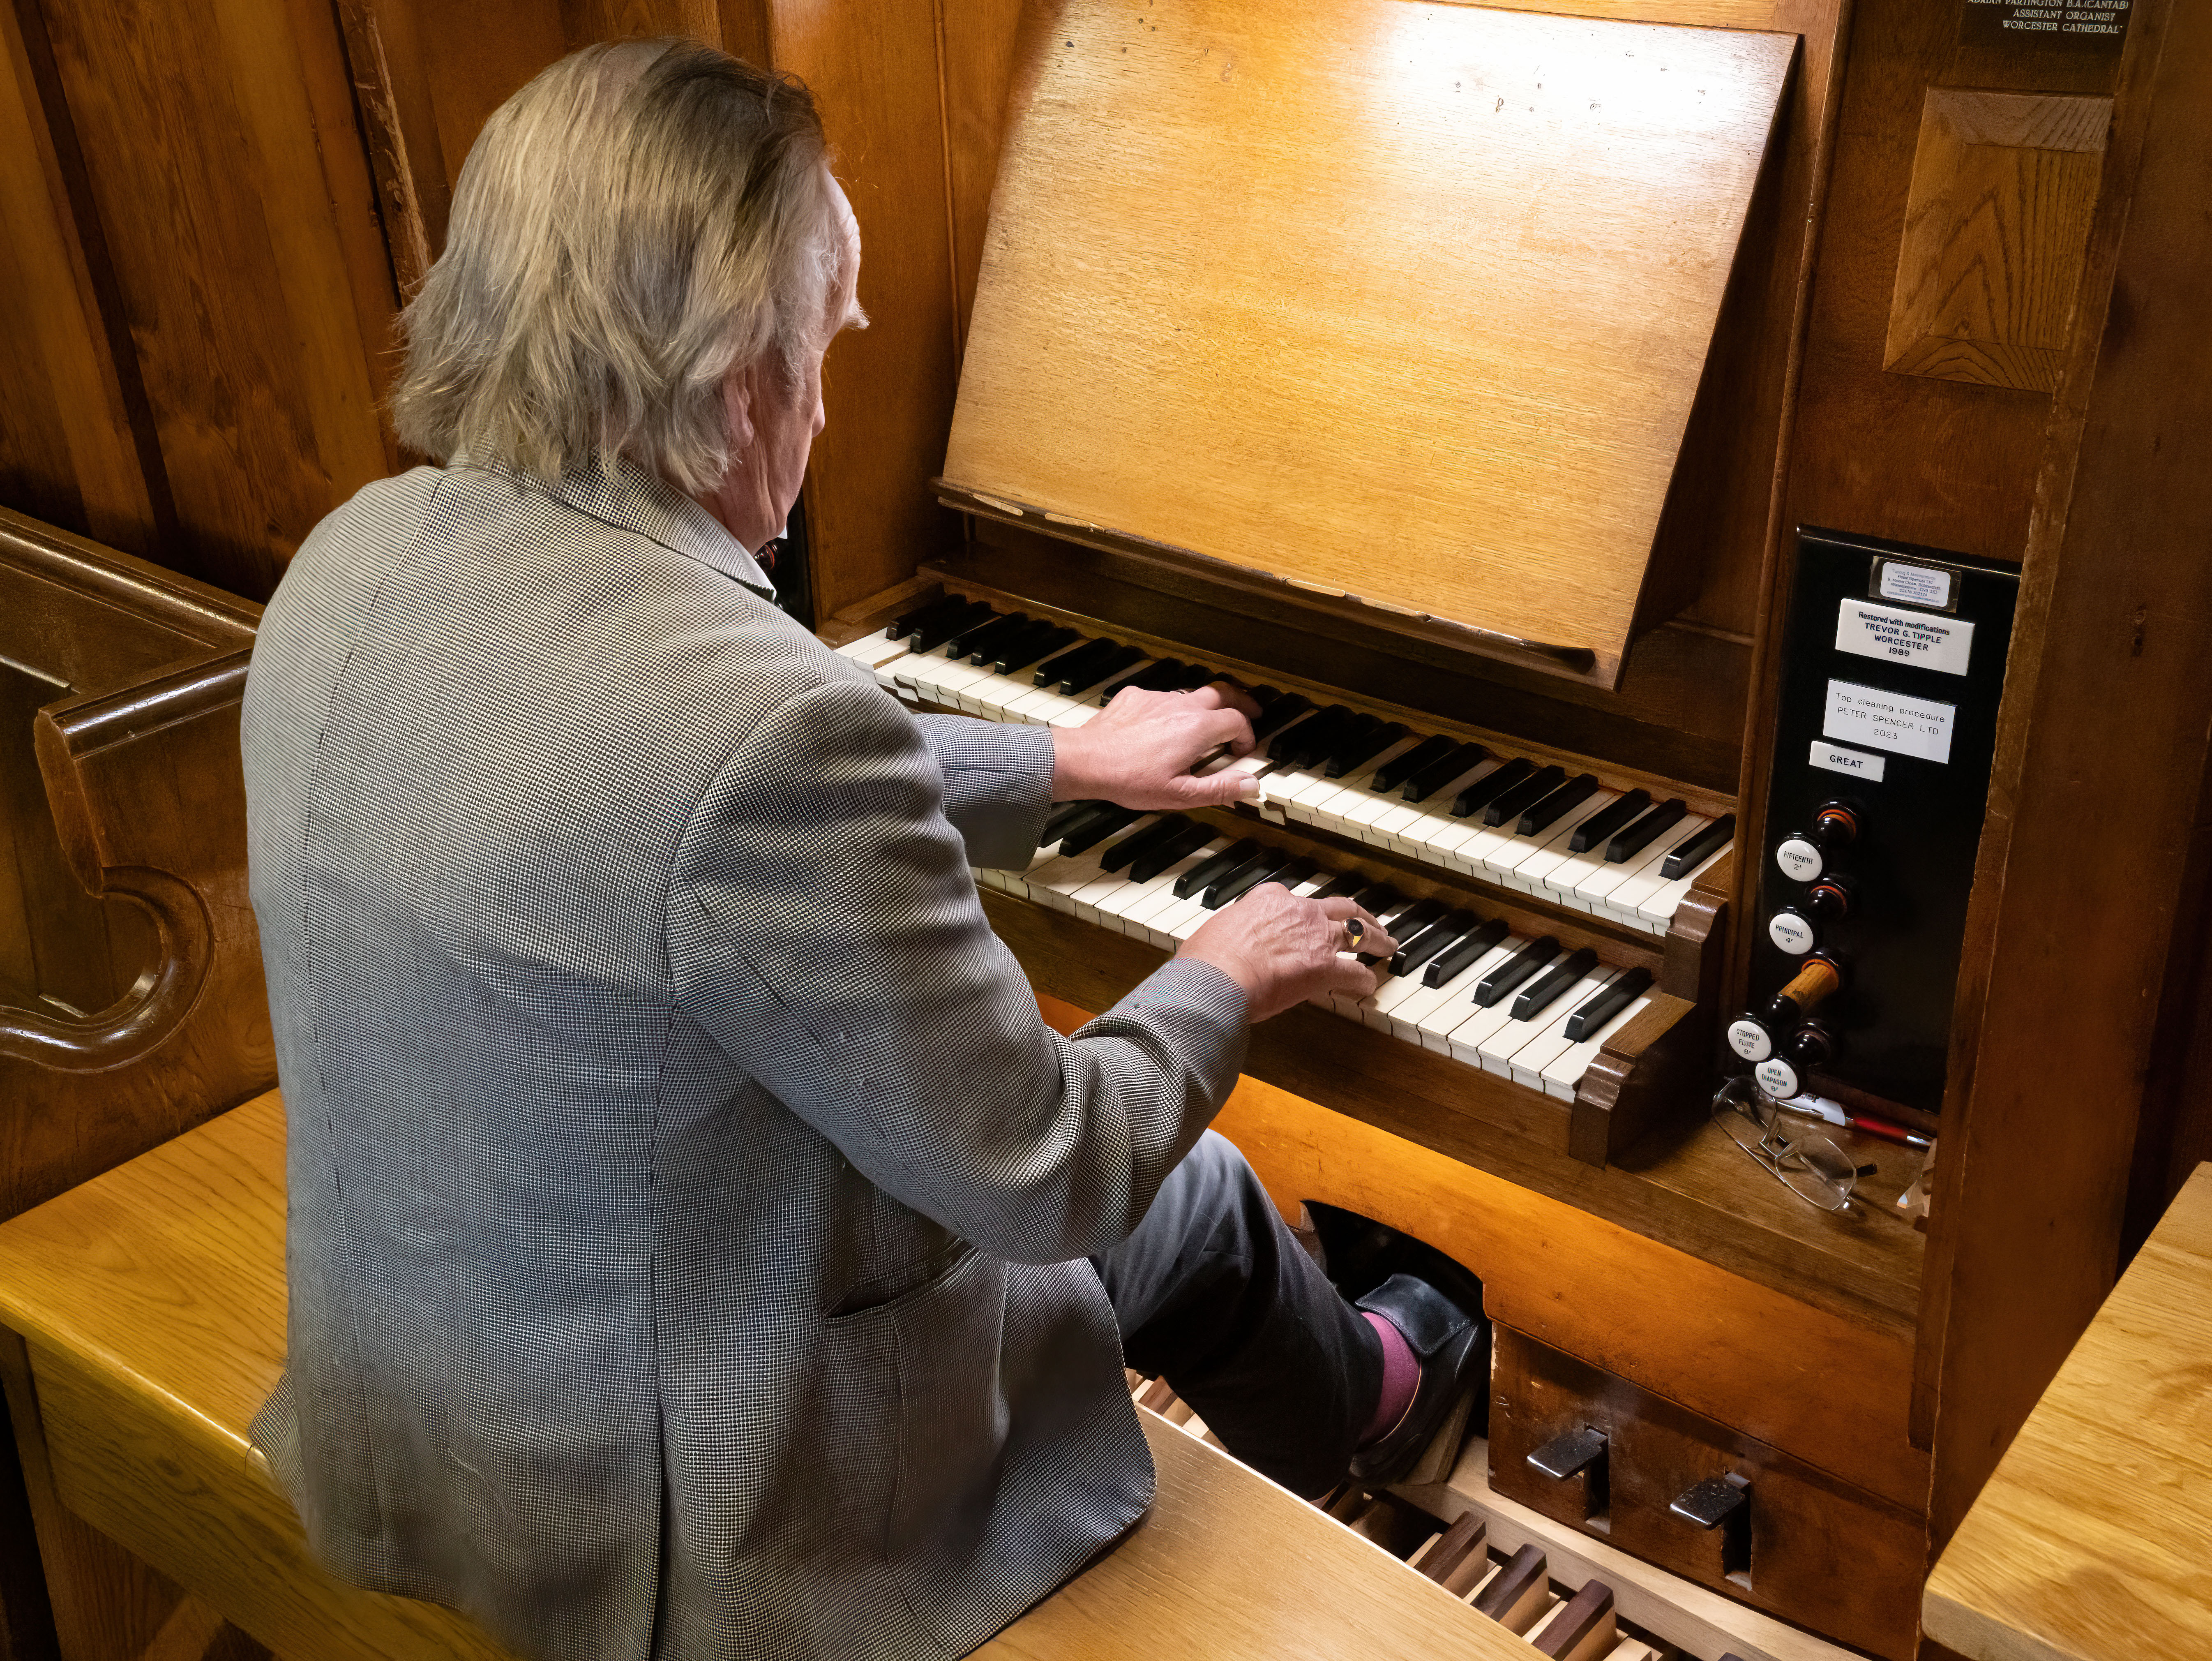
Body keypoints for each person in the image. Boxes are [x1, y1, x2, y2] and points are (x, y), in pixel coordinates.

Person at [240, 37, 1483, 1661]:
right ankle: (1364, 1459)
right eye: (826, 351)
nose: (826, 405)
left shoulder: (359, 556)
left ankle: (1354, 1404)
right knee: (1199, 1191)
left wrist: (1058, 759)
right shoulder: (766, 735)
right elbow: (1045, 1170)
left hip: (424, 1406)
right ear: (747, 377)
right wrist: (1220, 972)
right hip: (694, 1523)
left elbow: (647, 781)